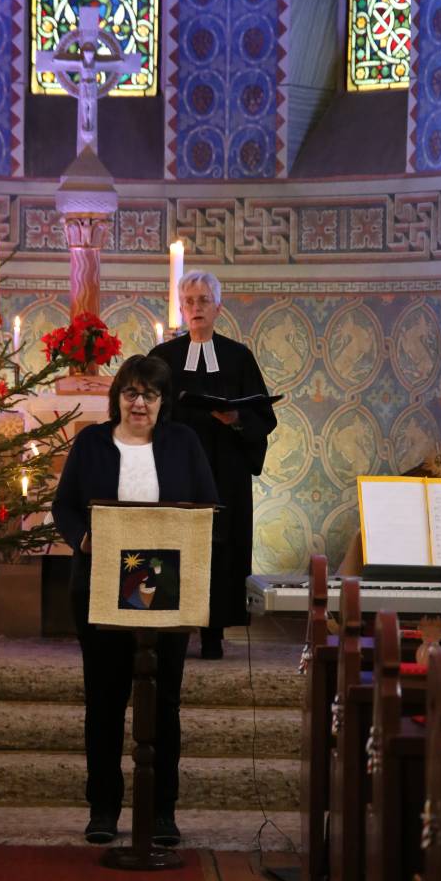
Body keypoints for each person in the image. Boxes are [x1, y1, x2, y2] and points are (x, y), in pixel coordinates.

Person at [52, 354, 218, 847]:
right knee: (105, 701)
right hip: (101, 580)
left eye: (149, 394)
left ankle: (161, 812)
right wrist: (83, 539)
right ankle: (103, 808)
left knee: (164, 702)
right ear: (117, 397)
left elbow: (207, 504)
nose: (139, 403)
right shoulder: (91, 443)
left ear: (163, 402)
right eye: (130, 393)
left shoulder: (183, 443)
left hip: (167, 586)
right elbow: (64, 505)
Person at [150, 270, 277, 659]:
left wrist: (236, 419)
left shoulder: (239, 357)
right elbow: (148, 410)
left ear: (219, 307)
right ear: (181, 308)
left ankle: (213, 633)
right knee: (174, 547)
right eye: (188, 301)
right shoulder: (163, 358)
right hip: (177, 471)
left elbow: (264, 417)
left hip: (225, 471)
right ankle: (166, 630)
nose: (196, 308)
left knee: (221, 550)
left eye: (204, 300)